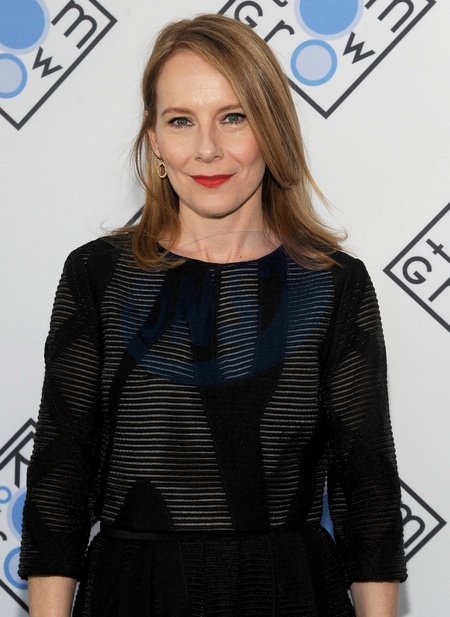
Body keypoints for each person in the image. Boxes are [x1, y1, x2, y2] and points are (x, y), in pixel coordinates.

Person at [19, 13, 407, 617]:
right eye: (181, 120)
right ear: (154, 138)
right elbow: (59, 478)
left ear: (271, 128)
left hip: (291, 593)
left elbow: (368, 488)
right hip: (135, 595)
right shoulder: (97, 275)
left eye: (234, 117)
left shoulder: (333, 284)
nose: (207, 149)